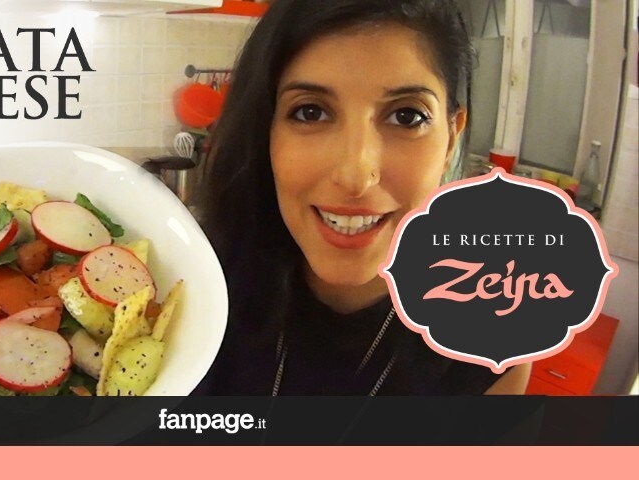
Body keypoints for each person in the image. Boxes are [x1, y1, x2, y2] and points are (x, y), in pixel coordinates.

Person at [196, 0, 531, 395]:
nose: (356, 176)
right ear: (265, 130)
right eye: (310, 112)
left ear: (451, 139)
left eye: (407, 116)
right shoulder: (194, 283)